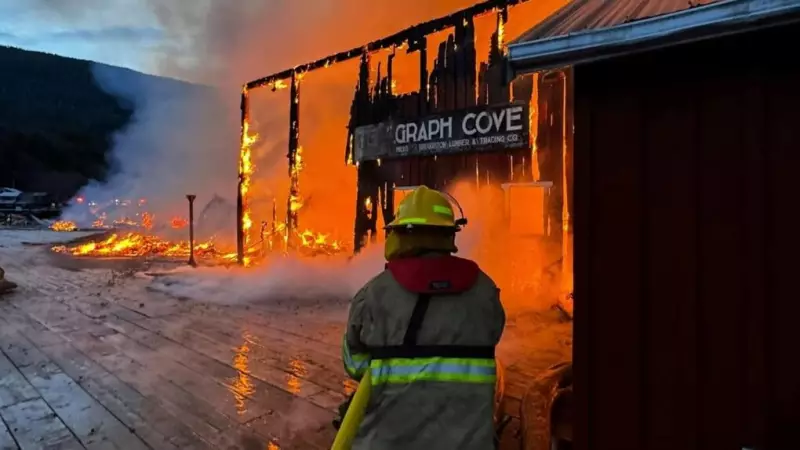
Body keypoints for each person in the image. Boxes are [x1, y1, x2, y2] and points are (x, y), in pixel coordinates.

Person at [341, 185, 506, 450]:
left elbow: (354, 362)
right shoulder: (486, 290)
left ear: (403, 234)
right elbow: (491, 339)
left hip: (388, 442)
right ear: (450, 234)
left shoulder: (374, 293)